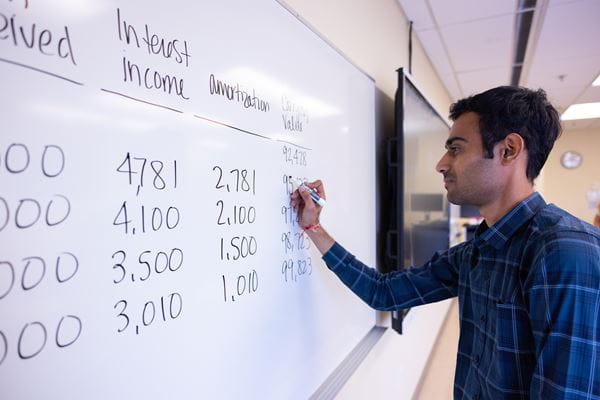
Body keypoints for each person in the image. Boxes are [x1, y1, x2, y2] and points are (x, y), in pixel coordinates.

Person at [291, 86, 600, 400]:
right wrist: (314, 226)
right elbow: (383, 292)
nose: (441, 164)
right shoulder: (477, 253)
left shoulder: (565, 252)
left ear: (508, 150)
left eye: (456, 148)